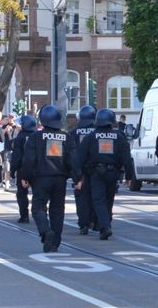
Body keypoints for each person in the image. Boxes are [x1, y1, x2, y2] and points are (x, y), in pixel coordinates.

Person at [74, 108, 134, 241]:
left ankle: (105, 226)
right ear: (112, 121)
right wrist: (129, 176)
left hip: (96, 173)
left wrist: (78, 177)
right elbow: (127, 158)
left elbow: (80, 158)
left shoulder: (91, 137)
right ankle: (106, 223)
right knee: (109, 199)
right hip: (113, 173)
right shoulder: (119, 136)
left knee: (98, 200)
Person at [22, 105, 73, 253]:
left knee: (38, 208)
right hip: (60, 179)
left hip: (41, 178)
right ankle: (55, 242)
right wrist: (78, 176)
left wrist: (25, 176)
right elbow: (73, 158)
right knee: (57, 210)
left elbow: (29, 159)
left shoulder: (35, 137)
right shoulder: (66, 137)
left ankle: (45, 231)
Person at [69, 105, 97, 234]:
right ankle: (95, 221)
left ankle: (83, 223)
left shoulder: (74, 132)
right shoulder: (98, 131)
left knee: (81, 197)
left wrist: (73, 172)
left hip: (79, 169)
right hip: (96, 168)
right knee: (96, 196)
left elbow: (70, 153)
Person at [9, 115, 38, 223]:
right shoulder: (39, 136)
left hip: (23, 168)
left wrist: (13, 170)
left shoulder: (20, 138)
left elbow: (17, 156)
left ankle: (24, 216)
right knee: (38, 193)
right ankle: (39, 213)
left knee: (22, 193)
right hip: (37, 169)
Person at [0, 114, 16, 191]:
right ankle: (6, 184)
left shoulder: (17, 126)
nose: (10, 119)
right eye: (9, 118)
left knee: (15, 167)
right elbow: (0, 133)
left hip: (16, 149)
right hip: (7, 149)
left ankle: (16, 182)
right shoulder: (5, 126)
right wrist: (6, 130)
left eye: (12, 118)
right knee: (7, 167)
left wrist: (16, 126)